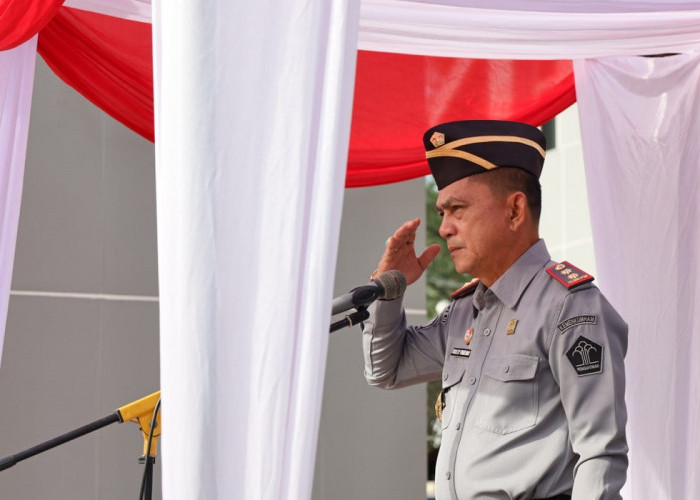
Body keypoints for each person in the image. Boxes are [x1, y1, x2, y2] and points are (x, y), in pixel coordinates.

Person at [362, 120, 628, 500]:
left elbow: (600, 453)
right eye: (442, 213)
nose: (445, 228)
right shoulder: (465, 313)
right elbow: (386, 370)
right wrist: (389, 288)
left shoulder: (570, 306)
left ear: (515, 210)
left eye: (457, 209)